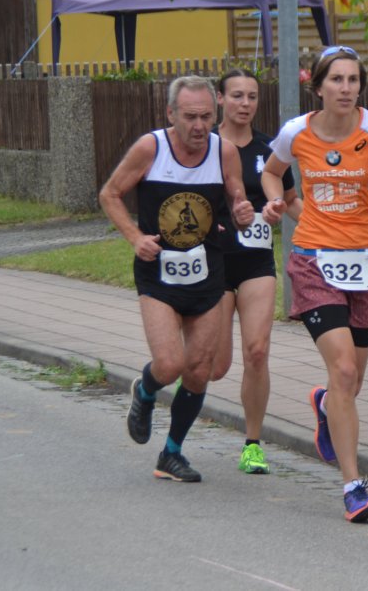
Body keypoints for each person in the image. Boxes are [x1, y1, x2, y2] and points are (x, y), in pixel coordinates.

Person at [260, 46, 368, 522]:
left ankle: (325, 405)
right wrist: (275, 202)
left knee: (349, 382)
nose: (346, 88)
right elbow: (271, 172)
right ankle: (353, 487)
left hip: (366, 262)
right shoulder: (295, 132)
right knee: (343, 370)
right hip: (313, 260)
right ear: (318, 87)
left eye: (353, 80)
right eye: (336, 79)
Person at [99, 75, 254, 483]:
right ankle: (145, 391)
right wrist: (135, 237)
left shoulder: (224, 151)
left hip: (206, 274)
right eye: (190, 117)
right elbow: (110, 194)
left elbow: (237, 202)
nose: (199, 126)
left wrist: (243, 214)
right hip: (159, 275)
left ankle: (171, 453)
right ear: (171, 113)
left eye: (206, 116)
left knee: (199, 370)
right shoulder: (151, 148)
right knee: (170, 364)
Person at [209, 67, 301, 475]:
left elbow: (291, 200)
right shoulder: (205, 147)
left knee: (257, 351)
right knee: (214, 367)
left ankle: (252, 444)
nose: (245, 104)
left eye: (252, 96)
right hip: (213, 262)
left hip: (256, 263)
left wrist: (321, 230)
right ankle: (180, 376)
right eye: (237, 96)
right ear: (220, 98)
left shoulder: (270, 150)